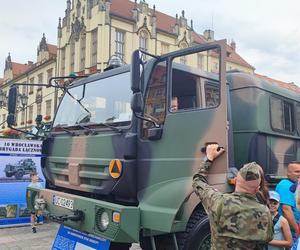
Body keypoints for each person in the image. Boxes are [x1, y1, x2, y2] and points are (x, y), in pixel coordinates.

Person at [192, 144, 273, 249]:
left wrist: (209, 158)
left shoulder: (218, 201)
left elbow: (198, 181)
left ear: (235, 181)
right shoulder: (265, 212)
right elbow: (268, 238)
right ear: (258, 188)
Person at [276, 161, 300, 241]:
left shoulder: (296, 185)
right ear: (288, 173)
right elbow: (286, 210)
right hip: (291, 233)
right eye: (297, 171)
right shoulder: (286, 185)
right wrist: (297, 230)